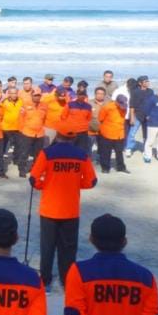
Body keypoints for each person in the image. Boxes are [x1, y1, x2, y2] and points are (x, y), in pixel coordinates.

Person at [29, 129, 98, 290]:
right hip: (71, 209)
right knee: (68, 248)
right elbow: (92, 181)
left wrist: (44, 185)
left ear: (58, 136)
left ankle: (45, 280)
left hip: (49, 209)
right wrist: (75, 184)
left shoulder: (47, 153)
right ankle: (67, 281)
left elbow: (33, 179)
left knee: (47, 246)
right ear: (73, 138)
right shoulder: (82, 155)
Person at [15, 89, 45, 178]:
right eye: (35, 95)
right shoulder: (25, 105)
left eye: (39, 95)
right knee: (24, 153)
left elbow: (44, 119)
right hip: (27, 133)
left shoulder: (44, 106)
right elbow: (20, 119)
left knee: (38, 154)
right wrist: (21, 131)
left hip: (39, 134)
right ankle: (22, 170)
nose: (37, 97)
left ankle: (35, 169)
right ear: (31, 96)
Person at [97, 95, 129, 173]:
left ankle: (121, 167)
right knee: (106, 152)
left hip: (119, 133)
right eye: (121, 104)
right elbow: (100, 119)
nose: (122, 107)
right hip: (107, 133)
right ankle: (105, 168)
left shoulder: (125, 106)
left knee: (119, 152)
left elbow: (123, 119)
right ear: (116, 102)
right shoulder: (107, 107)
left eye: (124, 105)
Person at [125, 75, 153, 157]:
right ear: (140, 83)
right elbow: (132, 105)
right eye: (146, 81)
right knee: (132, 133)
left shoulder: (150, 91)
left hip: (147, 116)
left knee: (147, 134)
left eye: (148, 81)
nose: (148, 83)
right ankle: (128, 148)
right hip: (137, 115)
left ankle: (146, 149)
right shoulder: (135, 92)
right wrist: (132, 117)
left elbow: (152, 104)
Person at [63, 89, 94, 155]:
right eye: (80, 94)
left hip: (83, 132)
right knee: (69, 149)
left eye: (83, 94)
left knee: (81, 151)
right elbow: (63, 117)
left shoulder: (88, 106)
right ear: (77, 95)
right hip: (71, 132)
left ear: (85, 96)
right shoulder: (70, 104)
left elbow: (89, 119)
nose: (81, 96)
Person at [0, 87, 22, 156]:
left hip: (17, 127)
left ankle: (16, 159)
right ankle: (1, 157)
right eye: (12, 93)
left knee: (18, 144)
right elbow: (1, 114)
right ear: (9, 94)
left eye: (15, 93)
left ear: (17, 93)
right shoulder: (4, 102)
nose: (14, 95)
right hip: (6, 127)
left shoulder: (21, 101)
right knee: (4, 144)